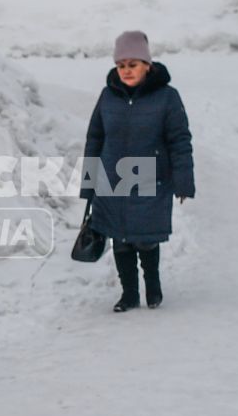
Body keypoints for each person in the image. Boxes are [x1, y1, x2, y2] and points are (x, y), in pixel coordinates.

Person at [80, 30, 194, 312]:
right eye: (121, 65)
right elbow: (94, 139)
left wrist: (183, 182)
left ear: (147, 65)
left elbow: (180, 141)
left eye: (133, 64)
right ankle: (129, 294)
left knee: (145, 239)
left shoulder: (167, 97)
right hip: (112, 177)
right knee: (120, 239)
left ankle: (152, 286)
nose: (126, 71)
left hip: (150, 176)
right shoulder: (108, 96)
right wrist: (89, 183)